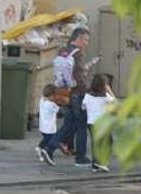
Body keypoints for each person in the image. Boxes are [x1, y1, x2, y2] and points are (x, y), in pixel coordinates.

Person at [40, 27, 99, 168]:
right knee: (82, 125)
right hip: (78, 94)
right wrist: (89, 92)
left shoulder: (63, 51)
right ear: (78, 38)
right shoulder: (77, 54)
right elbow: (79, 76)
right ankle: (80, 158)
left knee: (69, 125)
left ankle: (49, 149)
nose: (87, 43)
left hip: (65, 93)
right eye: (85, 39)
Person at [82, 74, 116, 173]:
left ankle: (95, 165)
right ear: (104, 85)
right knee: (108, 142)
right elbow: (116, 104)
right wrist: (109, 91)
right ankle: (103, 162)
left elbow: (83, 107)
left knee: (95, 143)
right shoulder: (106, 97)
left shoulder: (88, 95)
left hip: (91, 122)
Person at [35, 84, 60, 164]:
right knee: (51, 139)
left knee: (46, 139)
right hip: (50, 128)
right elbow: (57, 110)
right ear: (52, 95)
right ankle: (43, 149)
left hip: (43, 126)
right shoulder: (51, 105)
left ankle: (40, 148)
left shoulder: (42, 100)